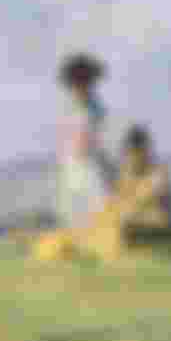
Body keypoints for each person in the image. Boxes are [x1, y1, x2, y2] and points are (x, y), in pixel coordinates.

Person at [53, 51, 118, 231]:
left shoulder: (96, 108)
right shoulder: (68, 107)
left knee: (98, 214)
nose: (80, 85)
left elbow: (99, 137)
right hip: (72, 166)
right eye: (77, 80)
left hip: (92, 166)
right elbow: (67, 138)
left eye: (84, 80)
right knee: (74, 215)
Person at [115, 124, 171, 234]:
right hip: (140, 228)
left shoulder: (157, 175)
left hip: (164, 228)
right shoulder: (125, 174)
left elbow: (165, 215)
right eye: (127, 154)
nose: (129, 159)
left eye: (133, 153)